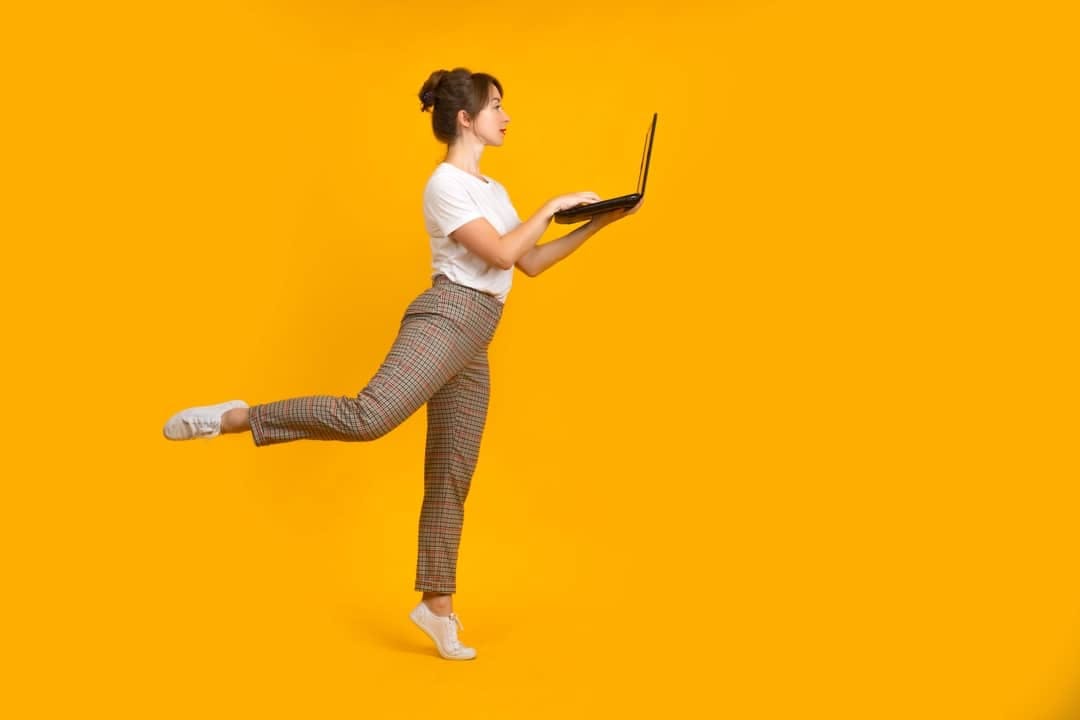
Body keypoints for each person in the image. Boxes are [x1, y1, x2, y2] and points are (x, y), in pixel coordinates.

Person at [161, 67, 643, 661]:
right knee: (371, 415)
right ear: (464, 119)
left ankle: (436, 608)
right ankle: (240, 417)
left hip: (478, 331)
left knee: (452, 468)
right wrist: (554, 204)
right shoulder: (444, 184)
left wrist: (599, 222)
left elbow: (531, 263)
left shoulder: (493, 192)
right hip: (448, 316)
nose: (507, 116)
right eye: (496, 106)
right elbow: (497, 250)